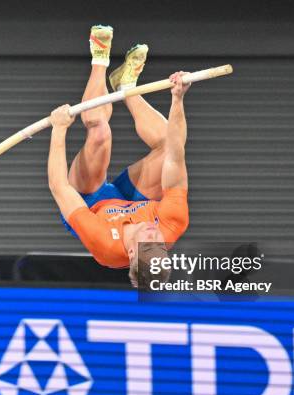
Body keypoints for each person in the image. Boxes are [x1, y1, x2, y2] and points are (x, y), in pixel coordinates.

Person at [47, 25, 190, 287]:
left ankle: (99, 58)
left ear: (132, 253)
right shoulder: (171, 225)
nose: (154, 235)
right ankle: (126, 85)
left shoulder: (104, 245)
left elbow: (59, 188)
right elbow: (176, 156)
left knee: (100, 134)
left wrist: (59, 129)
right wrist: (177, 99)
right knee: (169, 147)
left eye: (149, 245)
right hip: (133, 199)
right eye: (162, 246)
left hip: (90, 201)